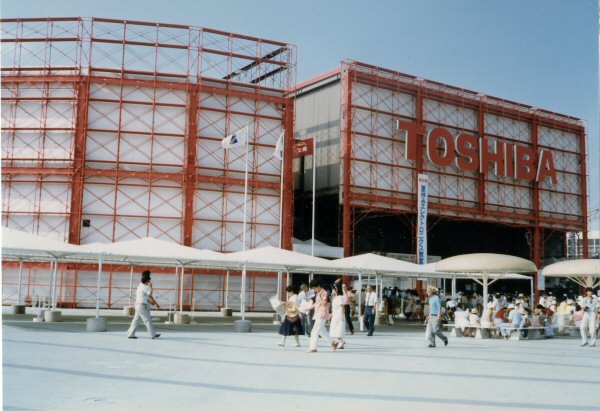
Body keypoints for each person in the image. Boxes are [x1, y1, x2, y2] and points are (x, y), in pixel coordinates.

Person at [127, 270, 161, 339]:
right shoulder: (145, 287)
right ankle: (152, 335)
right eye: (149, 281)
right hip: (142, 306)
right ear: (147, 281)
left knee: (136, 320)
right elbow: (150, 295)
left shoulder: (139, 286)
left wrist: (153, 303)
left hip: (138, 305)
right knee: (147, 320)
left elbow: (145, 297)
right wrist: (151, 287)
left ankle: (130, 334)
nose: (149, 282)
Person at [306, 279, 338, 353]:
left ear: (318, 286)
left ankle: (313, 348)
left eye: (314, 288)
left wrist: (323, 301)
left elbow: (324, 302)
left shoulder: (324, 293)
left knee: (315, 331)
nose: (314, 290)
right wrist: (309, 308)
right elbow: (317, 303)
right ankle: (333, 343)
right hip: (319, 313)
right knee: (322, 331)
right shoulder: (318, 293)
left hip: (322, 313)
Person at [330, 282, 346, 349]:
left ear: (336, 289)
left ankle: (340, 342)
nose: (332, 290)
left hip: (339, 316)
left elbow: (342, 307)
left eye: (333, 289)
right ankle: (341, 342)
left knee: (339, 330)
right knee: (335, 330)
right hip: (335, 315)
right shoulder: (335, 297)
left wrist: (342, 315)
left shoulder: (340, 297)